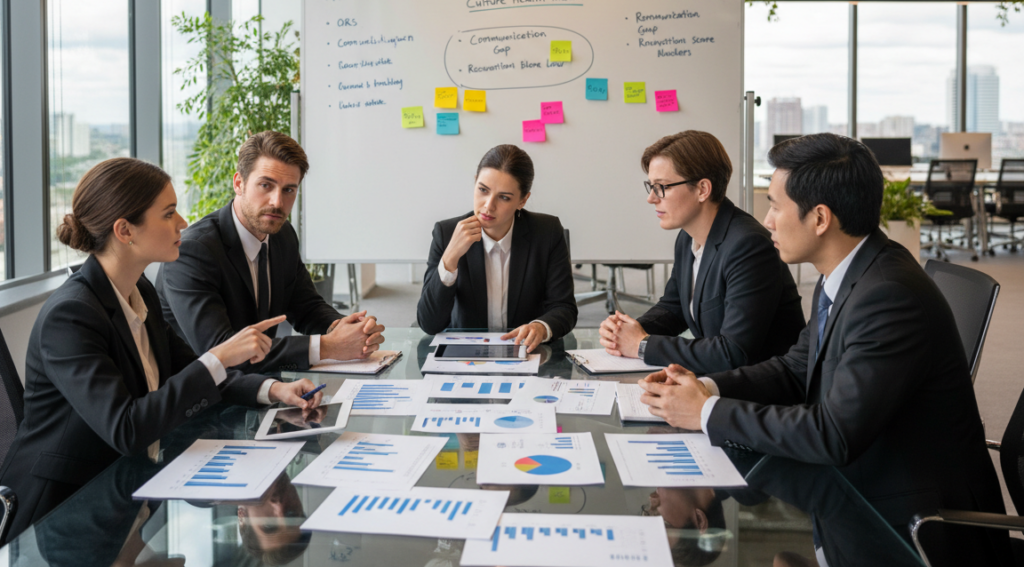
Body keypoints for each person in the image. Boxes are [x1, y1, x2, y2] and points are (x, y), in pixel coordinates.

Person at [637, 134, 1010, 565]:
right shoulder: (848, 272)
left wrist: (704, 414)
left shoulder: (888, 295)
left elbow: (832, 434)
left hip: (910, 524)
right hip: (855, 490)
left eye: (775, 205)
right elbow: (795, 368)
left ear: (819, 218)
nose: (767, 220)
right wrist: (704, 387)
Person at [0, 158, 321, 540]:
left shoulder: (139, 289)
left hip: (131, 490)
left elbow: (192, 372)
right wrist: (220, 356)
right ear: (125, 231)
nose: (183, 223)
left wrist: (271, 390)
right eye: (168, 213)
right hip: (63, 513)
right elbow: (127, 428)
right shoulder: (70, 317)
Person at [158, 131, 385, 373]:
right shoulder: (193, 252)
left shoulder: (282, 234)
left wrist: (344, 327)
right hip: (205, 398)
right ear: (239, 183)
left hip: (265, 385)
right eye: (265, 185)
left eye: (289, 190)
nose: (277, 202)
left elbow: (306, 306)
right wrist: (327, 346)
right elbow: (220, 350)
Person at [600, 131, 805, 373]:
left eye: (661, 187)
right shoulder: (687, 236)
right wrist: (627, 330)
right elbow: (673, 307)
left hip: (761, 395)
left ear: (702, 189)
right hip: (716, 381)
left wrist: (642, 344)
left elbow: (733, 352)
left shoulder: (749, 245)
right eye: (651, 186)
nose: (651, 198)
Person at [417, 144, 577, 351]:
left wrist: (540, 327)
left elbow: (564, 307)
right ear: (475, 182)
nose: (488, 206)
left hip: (526, 352)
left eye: (504, 197)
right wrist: (450, 259)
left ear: (522, 200)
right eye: (483, 190)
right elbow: (429, 323)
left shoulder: (547, 232)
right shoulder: (446, 233)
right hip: (468, 357)